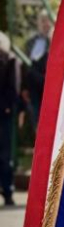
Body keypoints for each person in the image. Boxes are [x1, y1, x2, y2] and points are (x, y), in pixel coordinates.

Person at [22, 9, 52, 132]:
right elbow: (26, 64)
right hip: (34, 86)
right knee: (36, 117)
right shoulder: (32, 42)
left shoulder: (57, 39)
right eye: (43, 21)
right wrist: (24, 87)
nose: (45, 24)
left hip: (49, 84)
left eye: (47, 21)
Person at [1, 31, 19, 206]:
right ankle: (7, 191)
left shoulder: (8, 58)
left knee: (5, 156)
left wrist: (7, 107)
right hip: (4, 111)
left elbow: (13, 87)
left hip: (3, 114)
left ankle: (8, 191)